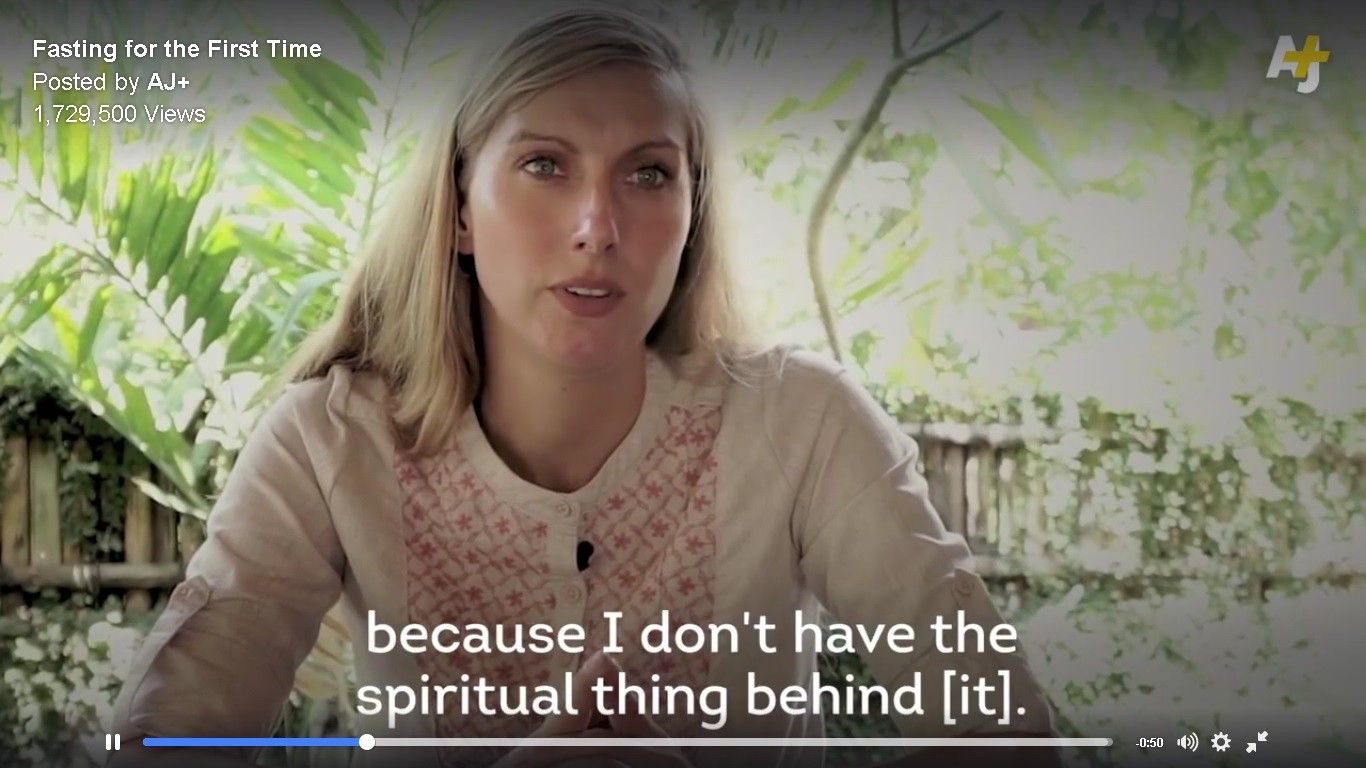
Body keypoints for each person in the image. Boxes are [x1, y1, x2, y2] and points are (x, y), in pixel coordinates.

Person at [108, 5, 1058, 768]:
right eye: (544, 166)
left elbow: (1004, 734)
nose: (598, 226)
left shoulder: (803, 422)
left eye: (648, 174)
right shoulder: (329, 440)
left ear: (692, 213)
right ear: (460, 207)